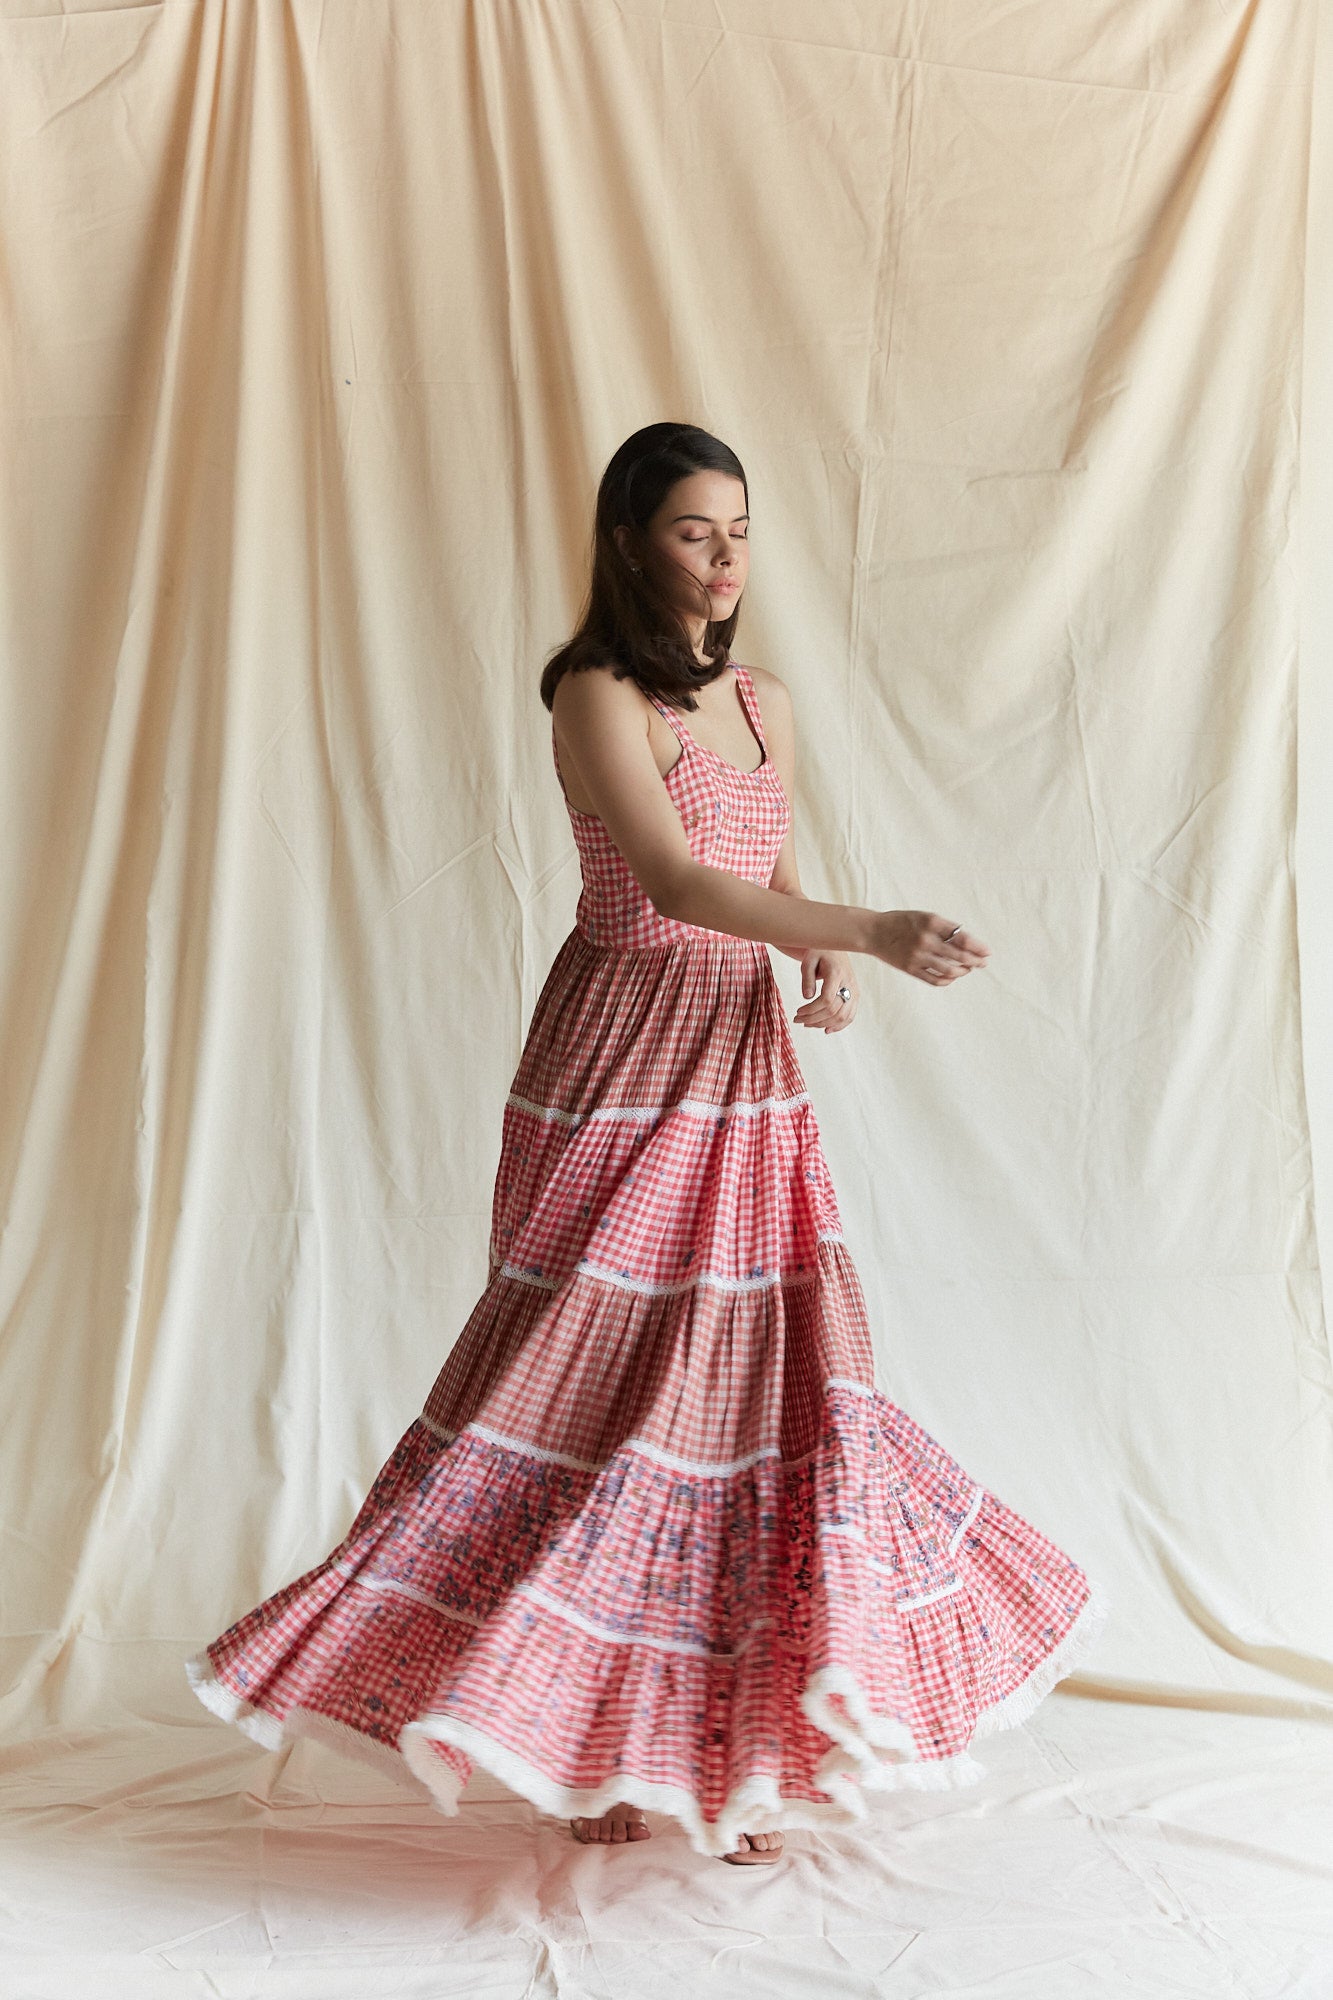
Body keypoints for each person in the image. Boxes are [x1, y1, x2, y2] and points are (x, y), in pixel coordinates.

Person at [187, 421, 1107, 1868]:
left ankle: (723, 1753)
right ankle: (587, 1750)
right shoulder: (593, 693)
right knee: (595, 1388)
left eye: (739, 527)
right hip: (618, 1057)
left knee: (745, 1395)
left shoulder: (764, 700)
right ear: (630, 543)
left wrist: (822, 955)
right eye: (694, 529)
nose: (727, 555)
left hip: (740, 1057)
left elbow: (758, 863)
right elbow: (677, 879)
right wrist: (864, 921)